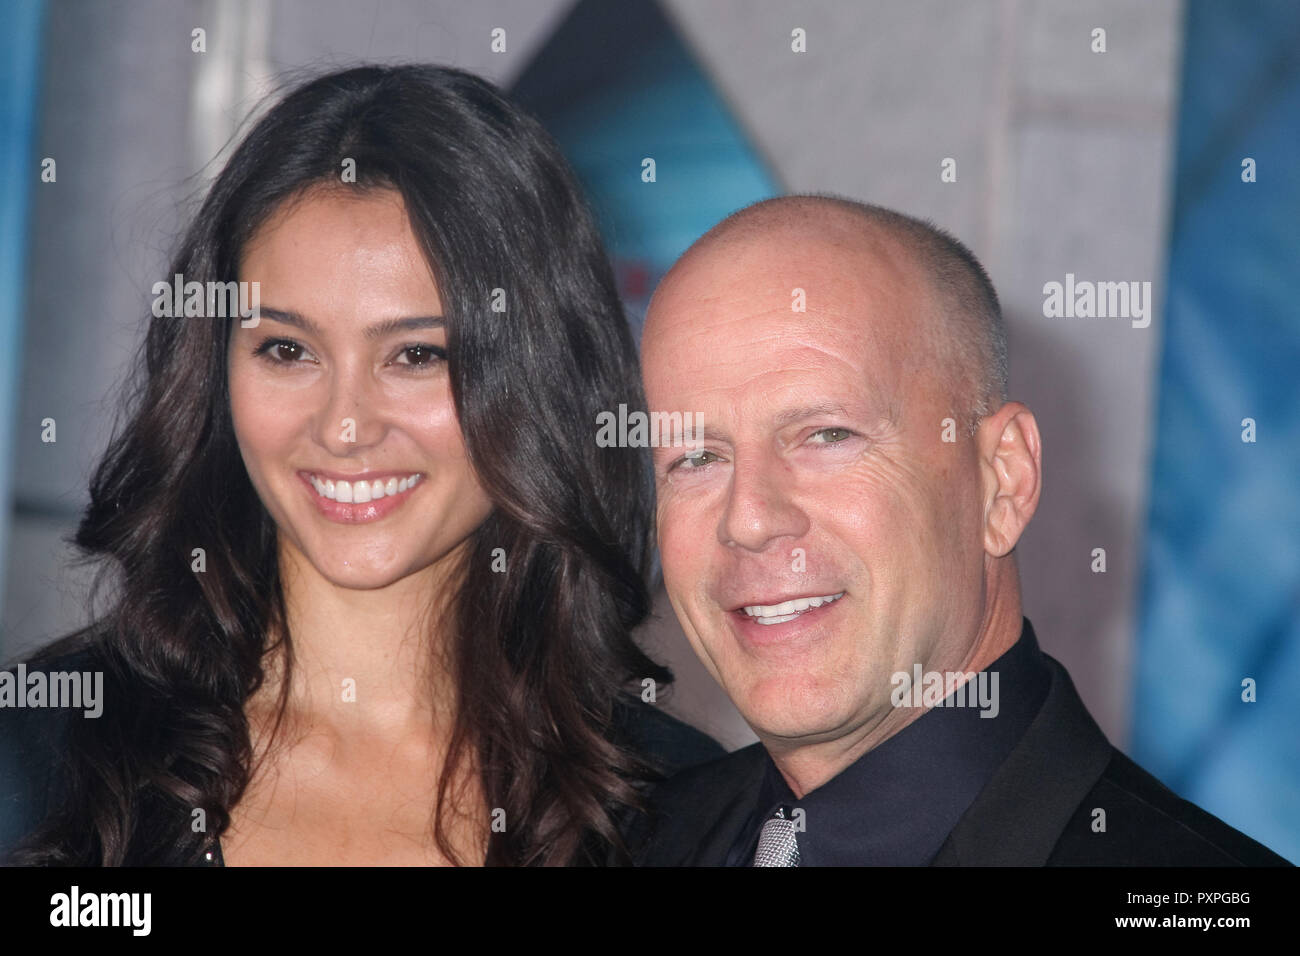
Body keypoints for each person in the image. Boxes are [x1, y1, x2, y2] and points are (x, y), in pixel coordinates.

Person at [0, 64, 720, 867]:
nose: (344, 426)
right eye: (287, 349)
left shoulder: (678, 809)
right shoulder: (39, 757)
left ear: (538, 376)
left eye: (415, 354)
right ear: (214, 371)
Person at [631, 194, 1290, 866]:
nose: (748, 518)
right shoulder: (618, 844)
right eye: (696, 457)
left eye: (826, 435)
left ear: (1003, 482)